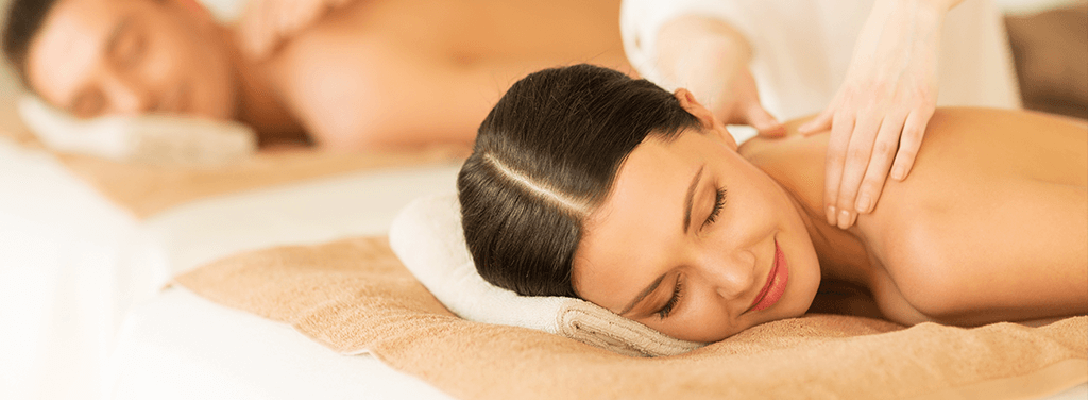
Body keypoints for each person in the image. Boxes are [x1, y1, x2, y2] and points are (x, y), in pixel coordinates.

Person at [457, 64, 1086, 343]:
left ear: (706, 116)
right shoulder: (765, 164)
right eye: (668, 299)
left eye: (713, 209)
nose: (736, 277)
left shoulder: (936, 253)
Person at [2, 0, 630, 149]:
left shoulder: (344, 95)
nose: (132, 102)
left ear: (188, 9)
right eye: (91, 104)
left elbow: (621, 99)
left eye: (131, 47)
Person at [620, 0, 1021, 230]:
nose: (736, 278)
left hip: (966, 114)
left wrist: (913, 14)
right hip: (787, 152)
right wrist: (705, 57)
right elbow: (677, 12)